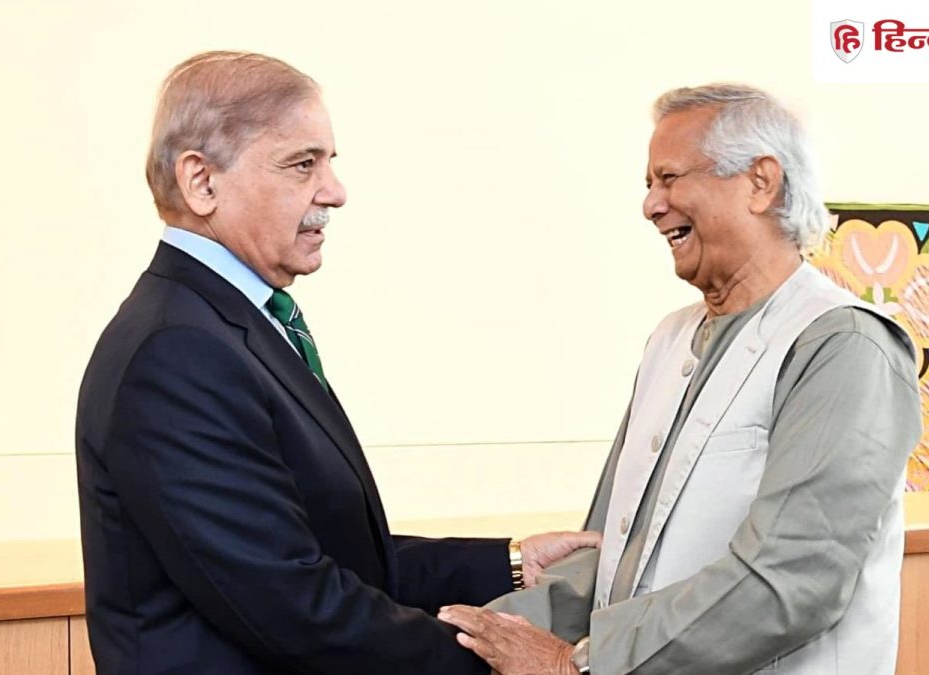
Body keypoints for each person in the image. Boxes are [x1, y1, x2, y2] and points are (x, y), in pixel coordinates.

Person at [75, 50, 598, 675]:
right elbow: (293, 606)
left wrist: (510, 562)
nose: (335, 192)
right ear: (202, 182)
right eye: (303, 164)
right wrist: (512, 662)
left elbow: (330, 552)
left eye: (329, 162)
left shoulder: (225, 324)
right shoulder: (178, 352)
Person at [439, 83, 921, 674]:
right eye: (649, 184)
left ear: (761, 182)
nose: (651, 205)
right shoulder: (670, 339)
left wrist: (582, 663)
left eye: (668, 178)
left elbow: (789, 581)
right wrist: (467, 635)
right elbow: (608, 556)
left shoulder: (843, 343)